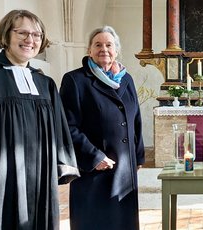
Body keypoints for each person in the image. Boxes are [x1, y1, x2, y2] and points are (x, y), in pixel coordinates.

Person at [0, 9, 79, 229]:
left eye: (37, 35)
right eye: (22, 33)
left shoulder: (44, 83)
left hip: (40, 175)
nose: (30, 40)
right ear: (6, 35)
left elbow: (59, 129)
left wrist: (62, 162)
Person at [60, 26, 145, 229]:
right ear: (89, 50)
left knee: (122, 221)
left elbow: (136, 119)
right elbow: (67, 126)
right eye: (98, 44)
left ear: (116, 50)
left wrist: (138, 156)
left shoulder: (126, 79)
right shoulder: (75, 80)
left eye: (109, 45)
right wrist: (94, 157)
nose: (104, 49)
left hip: (124, 166)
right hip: (94, 169)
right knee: (95, 220)